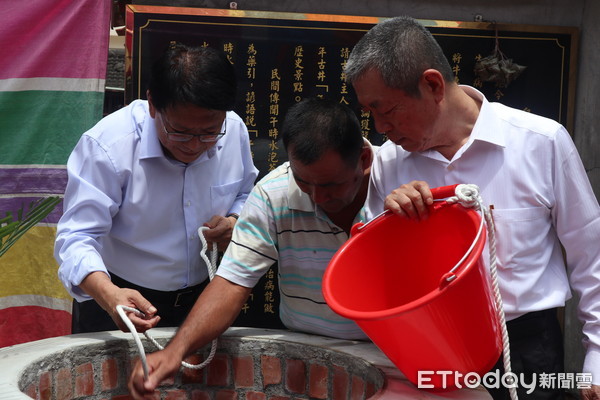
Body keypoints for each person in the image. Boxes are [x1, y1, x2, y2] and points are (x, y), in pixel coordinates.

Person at [343, 15, 600, 400]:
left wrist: (596, 357)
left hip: (528, 347)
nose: (380, 127)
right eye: (371, 112)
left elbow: (591, 254)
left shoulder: (541, 142)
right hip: (431, 346)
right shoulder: (390, 163)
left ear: (431, 85)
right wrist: (390, 225)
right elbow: (374, 270)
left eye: (387, 109)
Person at [127, 97, 376, 397]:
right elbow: (231, 282)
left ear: (363, 160)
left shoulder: (399, 178)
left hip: (388, 352)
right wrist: (174, 352)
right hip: (304, 354)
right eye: (303, 182)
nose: (316, 197)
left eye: (330, 186)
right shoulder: (274, 194)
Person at [54, 43, 258, 334]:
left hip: (204, 297)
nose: (195, 145)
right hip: (120, 297)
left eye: (209, 132)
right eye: (180, 132)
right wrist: (109, 295)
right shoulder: (108, 147)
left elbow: (246, 193)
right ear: (152, 104)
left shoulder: (234, 130)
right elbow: (77, 237)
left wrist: (234, 221)